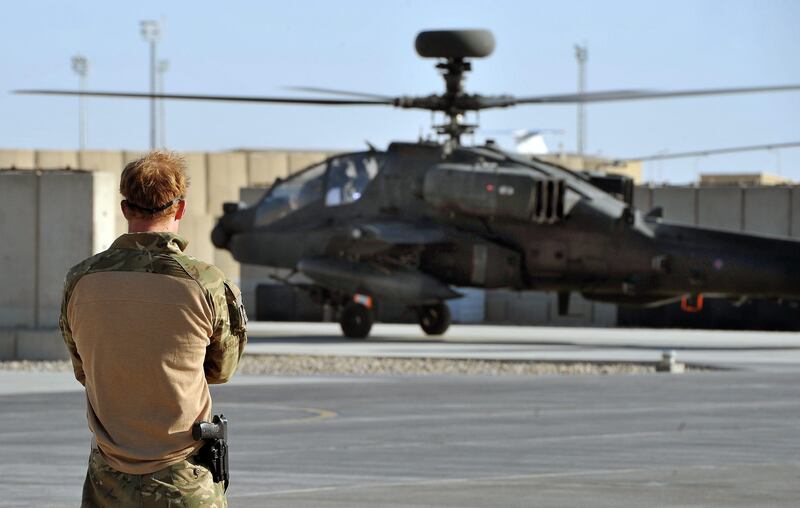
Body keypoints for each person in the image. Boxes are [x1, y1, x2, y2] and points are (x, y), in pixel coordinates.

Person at [59, 150, 247, 507]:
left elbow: (83, 368)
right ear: (180, 209)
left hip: (107, 480)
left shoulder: (81, 280)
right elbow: (222, 369)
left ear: (126, 208)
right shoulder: (205, 283)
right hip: (183, 479)